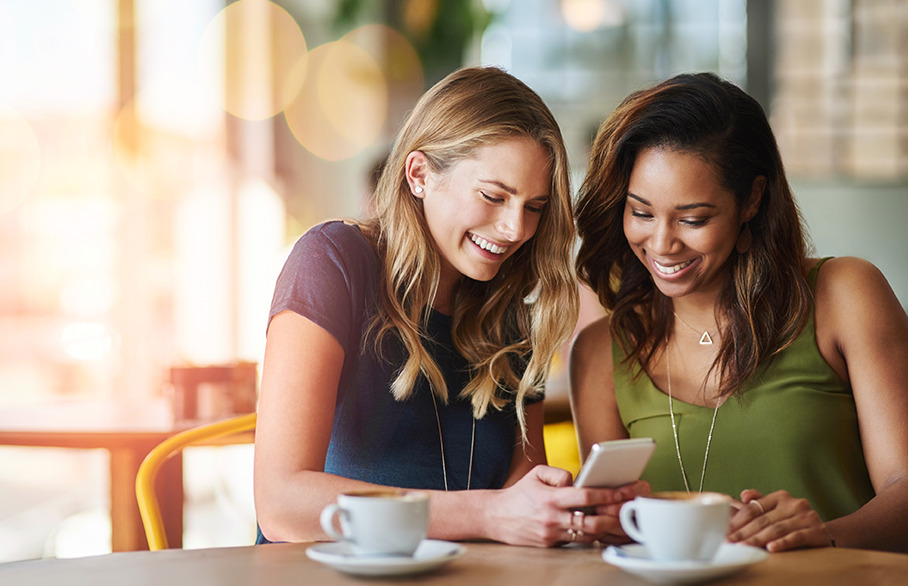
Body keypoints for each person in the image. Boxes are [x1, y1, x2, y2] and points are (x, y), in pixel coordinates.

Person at [254, 66, 647, 548]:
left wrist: (568, 514)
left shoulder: (513, 310)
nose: (515, 229)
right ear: (419, 174)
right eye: (493, 196)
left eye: (535, 207)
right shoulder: (332, 260)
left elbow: (518, 492)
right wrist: (487, 516)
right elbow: (281, 503)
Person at [570, 72, 908, 554]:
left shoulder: (845, 295)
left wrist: (826, 535)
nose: (662, 244)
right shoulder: (601, 350)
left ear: (751, 199)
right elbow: (612, 531)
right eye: (641, 213)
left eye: (693, 219)